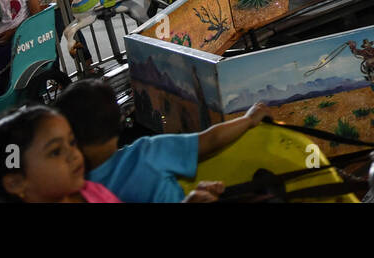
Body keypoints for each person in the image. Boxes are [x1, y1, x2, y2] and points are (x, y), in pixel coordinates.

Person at [58, 79, 266, 203]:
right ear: (118, 124)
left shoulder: (74, 189)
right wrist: (247, 120)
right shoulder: (148, 152)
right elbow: (210, 140)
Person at [0, 106, 123, 203]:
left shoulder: (91, 191)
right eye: (55, 152)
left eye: (72, 142)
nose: (73, 154)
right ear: (16, 183)